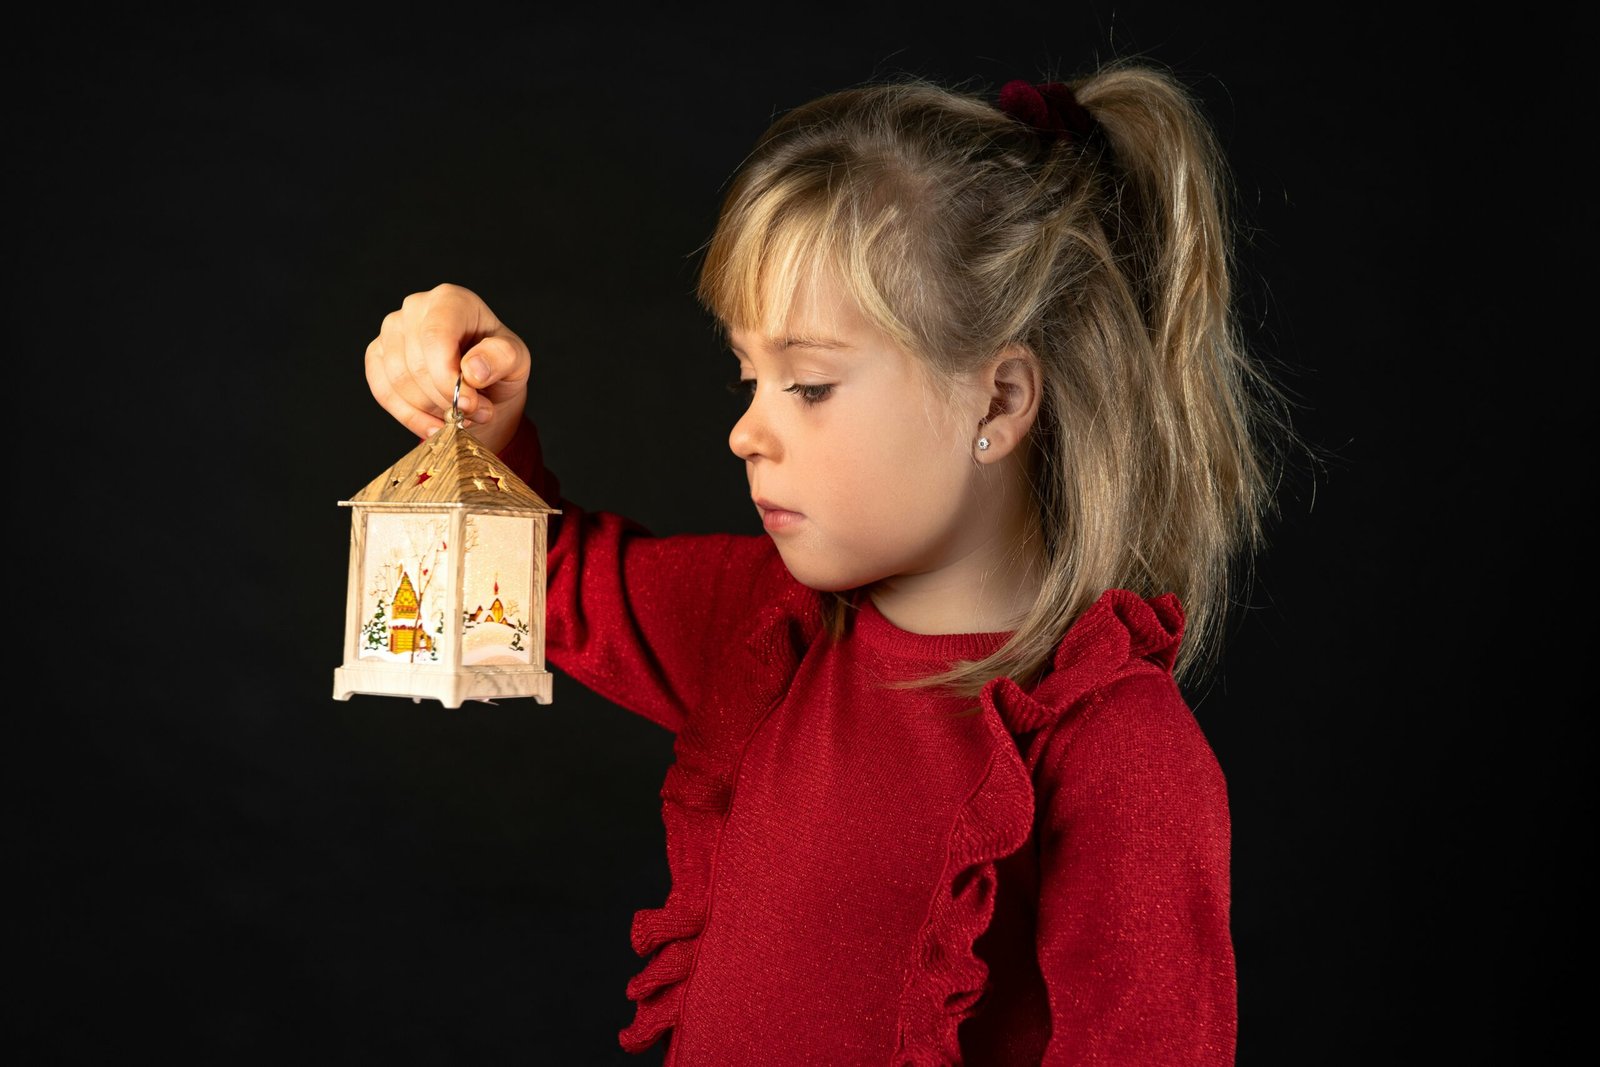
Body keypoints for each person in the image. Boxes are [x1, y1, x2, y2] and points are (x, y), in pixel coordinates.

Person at [363, 61, 1284, 1065]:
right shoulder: (763, 629)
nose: (745, 433)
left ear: (999, 399)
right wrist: (480, 434)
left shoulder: (1114, 748)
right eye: (746, 376)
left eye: (805, 383)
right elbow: (537, 581)